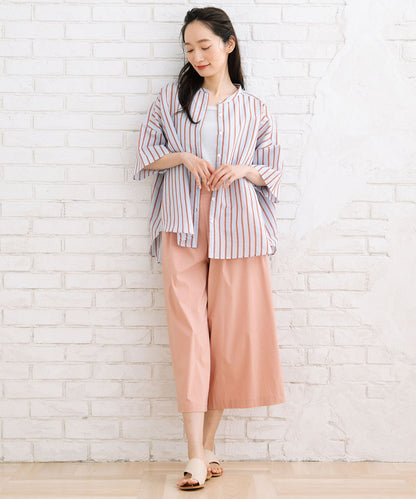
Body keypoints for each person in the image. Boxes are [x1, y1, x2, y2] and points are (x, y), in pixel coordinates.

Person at [133, 6, 286, 491]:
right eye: (189, 48)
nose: (197, 56)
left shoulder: (254, 108)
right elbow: (145, 154)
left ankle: (209, 444)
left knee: (229, 339)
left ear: (228, 44)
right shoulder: (171, 99)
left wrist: (242, 169)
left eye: (205, 45)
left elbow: (273, 169)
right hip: (182, 225)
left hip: (238, 229)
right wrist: (182, 156)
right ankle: (195, 455)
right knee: (190, 337)